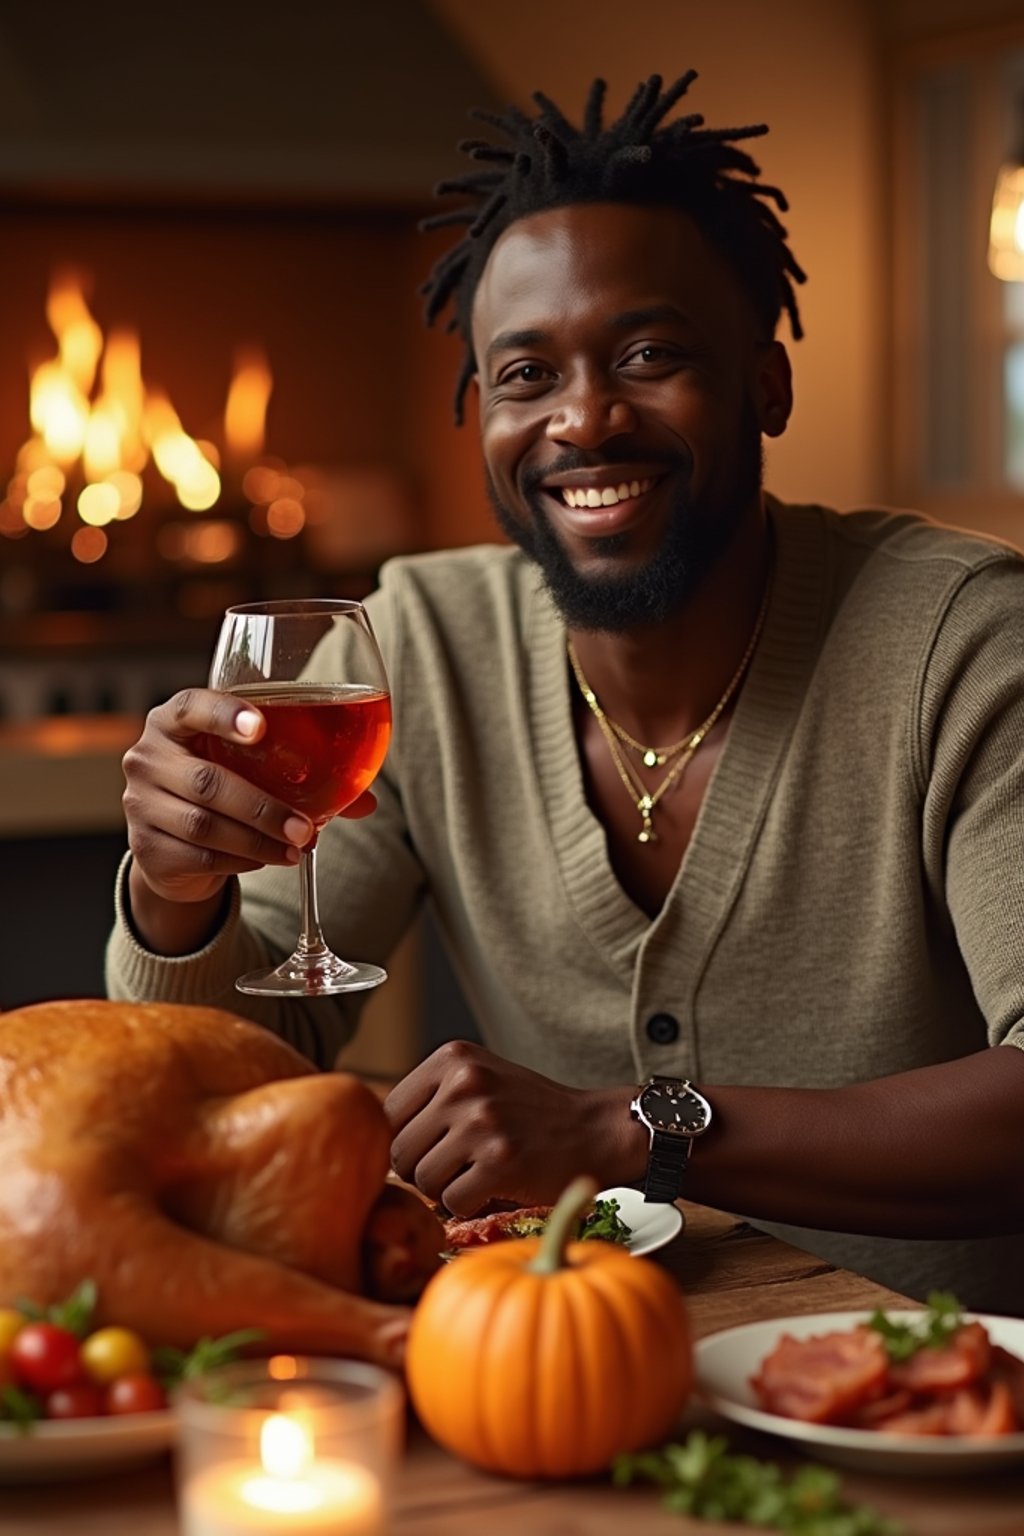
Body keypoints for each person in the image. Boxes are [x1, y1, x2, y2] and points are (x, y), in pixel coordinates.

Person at [107, 71, 1024, 1314]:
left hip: (941, 1394)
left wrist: (636, 1129)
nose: (584, 419)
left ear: (766, 382)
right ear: (480, 412)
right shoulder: (421, 641)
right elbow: (242, 1070)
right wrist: (180, 895)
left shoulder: (964, 643)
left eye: (648, 354)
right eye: (526, 375)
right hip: (551, 1373)